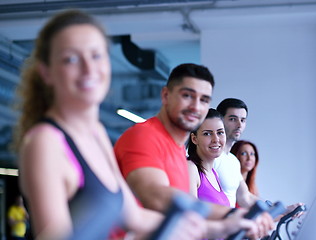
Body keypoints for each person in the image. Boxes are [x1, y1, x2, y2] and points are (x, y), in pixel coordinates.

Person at [14, 10, 205, 240]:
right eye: (71, 59)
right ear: (46, 73)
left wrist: (211, 227)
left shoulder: (97, 133)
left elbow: (134, 216)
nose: (89, 69)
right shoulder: (44, 143)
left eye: (96, 55)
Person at [114, 63, 274, 239]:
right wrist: (229, 214)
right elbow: (156, 195)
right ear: (166, 95)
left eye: (204, 100)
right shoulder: (144, 136)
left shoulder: (178, 150)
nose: (196, 106)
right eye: (187, 96)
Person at [187, 108, 230, 207]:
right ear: (194, 139)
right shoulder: (190, 168)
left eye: (220, 132)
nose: (216, 139)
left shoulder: (214, 173)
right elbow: (189, 215)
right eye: (207, 134)